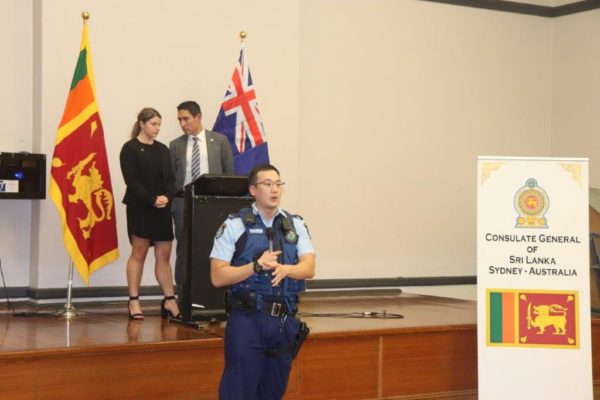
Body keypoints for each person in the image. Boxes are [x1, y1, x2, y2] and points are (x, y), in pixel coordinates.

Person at [210, 164, 316, 400]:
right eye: (267, 184)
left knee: (273, 393)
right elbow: (217, 276)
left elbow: (309, 267)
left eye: (278, 184)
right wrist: (255, 266)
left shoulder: (295, 225)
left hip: (283, 322)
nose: (274, 189)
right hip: (248, 321)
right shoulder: (235, 225)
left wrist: (288, 269)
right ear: (253, 190)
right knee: (238, 392)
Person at [119, 107, 181, 321]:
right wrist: (151, 199)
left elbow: (171, 179)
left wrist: (166, 197)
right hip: (141, 207)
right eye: (153, 124)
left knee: (163, 254)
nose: (157, 129)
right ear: (142, 123)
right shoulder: (130, 149)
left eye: (159, 125)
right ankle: (134, 301)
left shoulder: (163, 149)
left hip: (162, 207)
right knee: (139, 252)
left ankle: (170, 299)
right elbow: (132, 181)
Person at [169, 100, 234, 299]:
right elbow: (172, 179)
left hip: (212, 206)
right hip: (183, 205)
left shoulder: (220, 141)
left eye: (186, 119)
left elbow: (228, 174)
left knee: (215, 248)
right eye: (179, 119)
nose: (182, 124)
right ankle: (182, 296)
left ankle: (214, 295)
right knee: (183, 250)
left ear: (198, 117)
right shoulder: (175, 145)